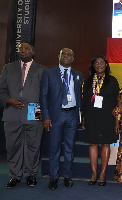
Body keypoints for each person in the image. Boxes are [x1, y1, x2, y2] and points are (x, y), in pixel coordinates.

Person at [0, 43, 46, 188]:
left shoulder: (42, 70)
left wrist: (43, 112)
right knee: (13, 146)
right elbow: (1, 90)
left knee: (33, 146)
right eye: (21, 49)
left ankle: (31, 175)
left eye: (26, 49)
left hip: (34, 110)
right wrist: (8, 100)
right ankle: (15, 176)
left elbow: (45, 94)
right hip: (12, 112)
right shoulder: (8, 68)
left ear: (33, 52)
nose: (23, 51)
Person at [40, 48, 83, 190]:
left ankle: (68, 176)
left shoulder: (78, 75)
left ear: (73, 58)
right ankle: (53, 177)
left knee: (70, 148)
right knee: (54, 149)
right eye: (63, 54)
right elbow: (43, 96)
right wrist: (45, 116)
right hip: (55, 116)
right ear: (58, 57)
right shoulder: (48, 73)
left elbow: (79, 97)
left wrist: (80, 116)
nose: (66, 56)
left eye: (69, 54)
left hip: (72, 115)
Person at [81, 55, 119, 186]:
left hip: (108, 117)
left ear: (106, 65)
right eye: (96, 63)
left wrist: (116, 120)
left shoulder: (113, 81)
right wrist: (84, 118)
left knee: (106, 144)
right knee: (93, 144)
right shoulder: (87, 80)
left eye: (101, 63)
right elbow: (84, 101)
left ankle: (103, 173)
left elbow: (117, 102)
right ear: (93, 66)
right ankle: (94, 173)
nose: (99, 65)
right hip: (91, 116)